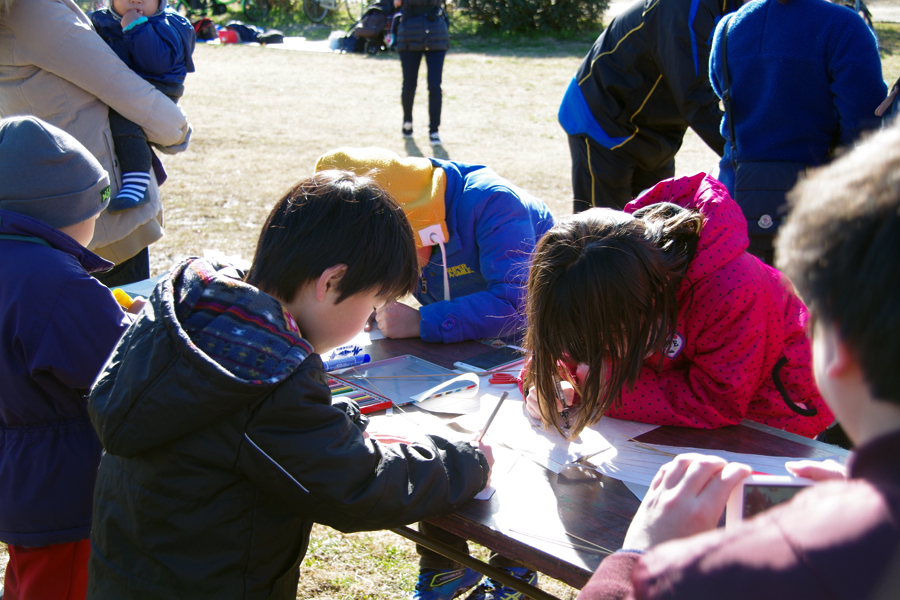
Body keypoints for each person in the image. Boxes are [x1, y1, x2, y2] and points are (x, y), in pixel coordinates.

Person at [86, 170, 493, 599]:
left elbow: (269, 439)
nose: (370, 320)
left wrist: (340, 420)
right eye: (372, 304)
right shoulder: (268, 374)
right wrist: (467, 461)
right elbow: (358, 485)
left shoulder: (200, 315)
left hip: (126, 573)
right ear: (330, 282)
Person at [575, 116, 900, 600]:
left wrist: (639, 556)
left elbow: (717, 399)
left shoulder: (735, 572)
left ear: (831, 353)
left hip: (770, 428)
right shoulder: (622, 264)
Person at [521, 172, 832, 441]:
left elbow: (718, 400)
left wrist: (599, 388)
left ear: (651, 297)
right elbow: (569, 336)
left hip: (777, 410)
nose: (598, 349)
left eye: (607, 338)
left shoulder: (733, 288)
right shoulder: (605, 267)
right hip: (676, 403)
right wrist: (551, 381)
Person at [0, 116, 144, 600]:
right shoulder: (55, 282)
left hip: (22, 469)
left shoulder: (17, 263)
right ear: (62, 211)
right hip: (67, 484)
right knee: (65, 584)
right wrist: (144, 325)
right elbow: (119, 363)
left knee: (30, 576)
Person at [0, 0, 192, 286]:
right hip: (94, 212)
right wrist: (178, 131)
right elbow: (117, 83)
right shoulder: (33, 10)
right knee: (117, 319)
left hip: (45, 209)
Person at [315, 147, 555, 344]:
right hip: (470, 346)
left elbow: (516, 306)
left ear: (415, 228)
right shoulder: (410, 207)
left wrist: (422, 321)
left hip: (540, 344)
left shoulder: (495, 203)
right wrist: (371, 298)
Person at [709, 0, 885, 265]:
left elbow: (723, 94)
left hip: (736, 204)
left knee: (744, 304)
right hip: (818, 205)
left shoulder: (728, 27)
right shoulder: (844, 26)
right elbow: (865, 121)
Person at [558, 0, 739, 213]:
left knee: (653, 233)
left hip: (657, 134)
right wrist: (745, 155)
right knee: (602, 235)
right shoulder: (681, 6)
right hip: (604, 122)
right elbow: (695, 98)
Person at [89, 0, 195, 214]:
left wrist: (137, 28)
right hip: (125, 82)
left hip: (158, 85)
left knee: (123, 120)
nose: (136, 1)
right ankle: (146, 167)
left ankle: (137, 183)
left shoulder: (166, 24)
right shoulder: (101, 20)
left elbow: (156, 63)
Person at [394, 0, 448, 146]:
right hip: (409, 33)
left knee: (435, 85)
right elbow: (396, 3)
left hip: (436, 32)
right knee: (409, 83)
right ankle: (407, 121)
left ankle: (434, 130)